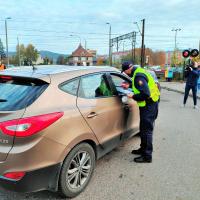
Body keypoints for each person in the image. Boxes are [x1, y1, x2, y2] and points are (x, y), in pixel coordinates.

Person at [121, 62, 160, 163]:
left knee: (146, 131)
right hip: (149, 105)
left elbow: (145, 94)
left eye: (125, 72)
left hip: (149, 106)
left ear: (128, 69)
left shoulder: (138, 76)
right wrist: (129, 85)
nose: (126, 74)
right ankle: (142, 149)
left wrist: (132, 96)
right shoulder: (138, 72)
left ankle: (147, 156)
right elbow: (139, 86)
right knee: (143, 129)